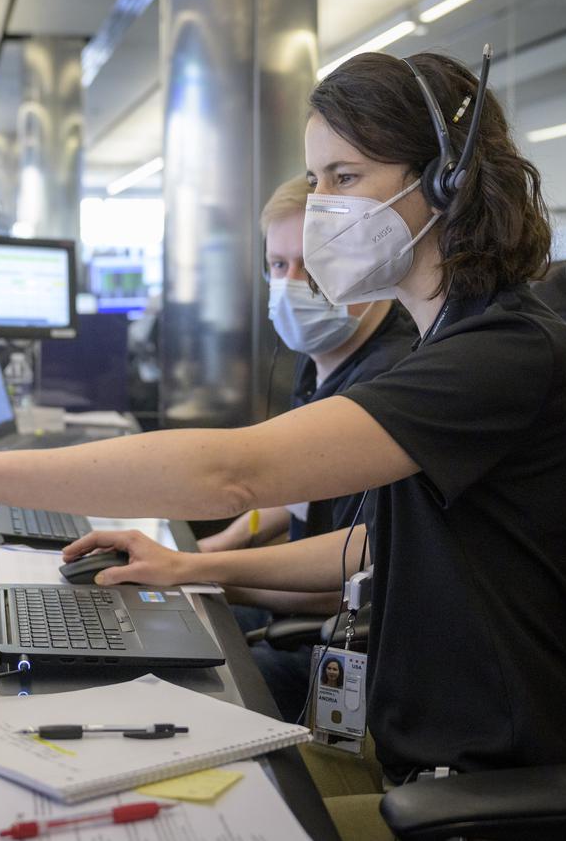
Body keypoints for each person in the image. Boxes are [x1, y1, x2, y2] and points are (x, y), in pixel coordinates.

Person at [0, 50, 566, 840]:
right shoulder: (456, 343)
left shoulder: (505, 351)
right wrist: (187, 570)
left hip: (483, 793)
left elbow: (232, 471)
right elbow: (385, 544)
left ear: (442, 184)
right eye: (316, 177)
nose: (324, 206)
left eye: (347, 176)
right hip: (410, 749)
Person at [201, 175, 415, 721]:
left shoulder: (389, 382)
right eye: (279, 265)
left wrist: (210, 576)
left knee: (185, 689)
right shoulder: (324, 359)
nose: (291, 283)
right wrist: (222, 545)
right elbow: (299, 491)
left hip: (340, 646)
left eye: (313, 265)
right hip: (294, 610)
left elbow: (354, 581)